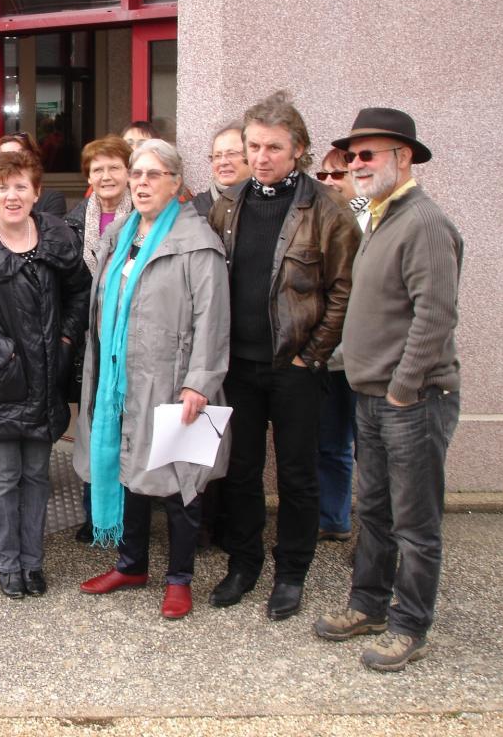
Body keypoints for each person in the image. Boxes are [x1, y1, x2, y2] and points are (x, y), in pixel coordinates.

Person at [315, 108, 462, 673]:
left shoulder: (424, 223)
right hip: (373, 397)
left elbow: (435, 317)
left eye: (367, 154)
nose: (356, 164)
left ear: (404, 158)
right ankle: (368, 606)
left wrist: (402, 388)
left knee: (414, 521)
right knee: (373, 509)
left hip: (413, 401)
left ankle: (409, 625)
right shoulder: (379, 215)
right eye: (351, 156)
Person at [206, 91, 361, 621]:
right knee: (242, 471)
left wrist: (312, 355)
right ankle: (244, 563)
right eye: (254, 145)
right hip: (239, 367)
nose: (262, 156)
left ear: (298, 150)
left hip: (295, 368)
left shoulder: (327, 207)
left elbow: (343, 289)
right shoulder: (229, 204)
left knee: (298, 475)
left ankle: (292, 571)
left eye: (274, 146)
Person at [74, 139, 230, 618]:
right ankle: (131, 563)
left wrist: (199, 381)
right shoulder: (120, 233)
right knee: (129, 471)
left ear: (176, 183)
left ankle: (179, 578)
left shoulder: (196, 242)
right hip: (119, 378)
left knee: (182, 482)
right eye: (136, 174)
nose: (141, 183)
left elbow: (213, 317)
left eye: (152, 175)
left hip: (174, 379)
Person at [0, 151, 87, 598]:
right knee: (4, 475)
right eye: (3, 186)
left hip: (46, 381)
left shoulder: (58, 236)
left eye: (21, 186)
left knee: (38, 475)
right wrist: (1, 354)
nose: (11, 195)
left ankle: (33, 562)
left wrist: (63, 342)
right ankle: (8, 566)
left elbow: (81, 293)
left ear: (36, 192)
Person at [64, 134, 133, 542]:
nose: (106, 176)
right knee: (91, 425)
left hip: (127, 340)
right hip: (89, 340)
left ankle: (125, 515)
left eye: (114, 167)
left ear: (128, 173)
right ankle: (94, 516)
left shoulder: (144, 220)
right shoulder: (73, 222)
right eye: (97, 169)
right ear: (88, 176)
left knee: (123, 425)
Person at [312, 148, 372, 542]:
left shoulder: (376, 222)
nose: (331, 181)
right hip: (330, 359)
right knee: (331, 444)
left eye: (339, 174)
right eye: (324, 175)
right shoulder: (319, 222)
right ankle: (333, 519)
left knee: (372, 448)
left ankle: (376, 527)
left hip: (369, 360)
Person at [0, 132, 67, 217]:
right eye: (2, 157)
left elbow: (50, 228)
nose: (9, 163)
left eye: (16, 157)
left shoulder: (51, 199)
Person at [191, 123, 252, 218]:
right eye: (217, 156)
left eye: (231, 154)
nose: (223, 162)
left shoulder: (265, 205)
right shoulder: (196, 209)